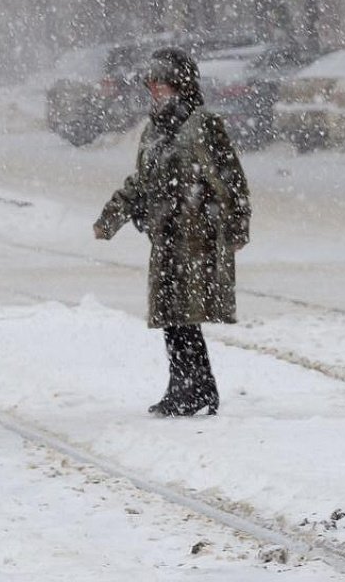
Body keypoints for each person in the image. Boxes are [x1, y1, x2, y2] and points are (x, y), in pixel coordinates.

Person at [94, 47, 250, 417]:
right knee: (172, 316)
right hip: (166, 236)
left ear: (180, 84)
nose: (154, 91)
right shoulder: (153, 129)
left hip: (197, 234)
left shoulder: (202, 124)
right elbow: (142, 181)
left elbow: (231, 179)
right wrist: (112, 216)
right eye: (151, 84)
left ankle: (194, 387)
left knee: (184, 313)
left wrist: (236, 225)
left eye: (160, 84)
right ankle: (190, 385)